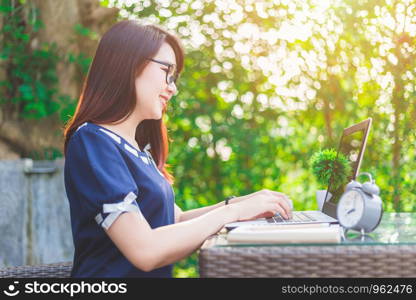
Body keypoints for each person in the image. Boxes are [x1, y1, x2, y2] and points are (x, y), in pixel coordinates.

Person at [63, 20, 292, 278]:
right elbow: (145, 250)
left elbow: (175, 220)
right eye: (167, 72)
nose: (173, 88)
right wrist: (234, 212)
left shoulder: (138, 150)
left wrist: (245, 203)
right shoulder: (93, 141)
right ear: (128, 64)